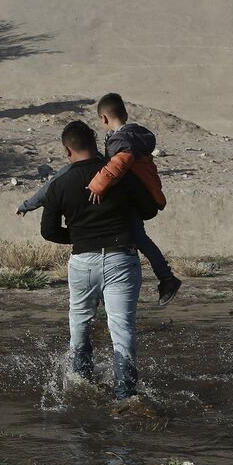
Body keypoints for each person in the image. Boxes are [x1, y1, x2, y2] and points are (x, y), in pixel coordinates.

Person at [40, 120, 160, 401]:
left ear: (66, 150)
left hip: (82, 262)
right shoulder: (121, 176)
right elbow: (149, 210)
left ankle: (81, 384)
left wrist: (81, 237)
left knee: (79, 325)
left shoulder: (59, 185)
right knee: (122, 328)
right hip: (121, 259)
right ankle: (125, 396)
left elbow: (48, 231)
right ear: (96, 144)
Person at [87, 93, 182, 306]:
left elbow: (121, 162)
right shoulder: (134, 136)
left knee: (137, 237)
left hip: (129, 199)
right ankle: (161, 278)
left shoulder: (120, 141)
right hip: (138, 196)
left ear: (103, 119)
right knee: (135, 238)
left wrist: (97, 185)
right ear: (126, 114)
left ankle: (166, 278)